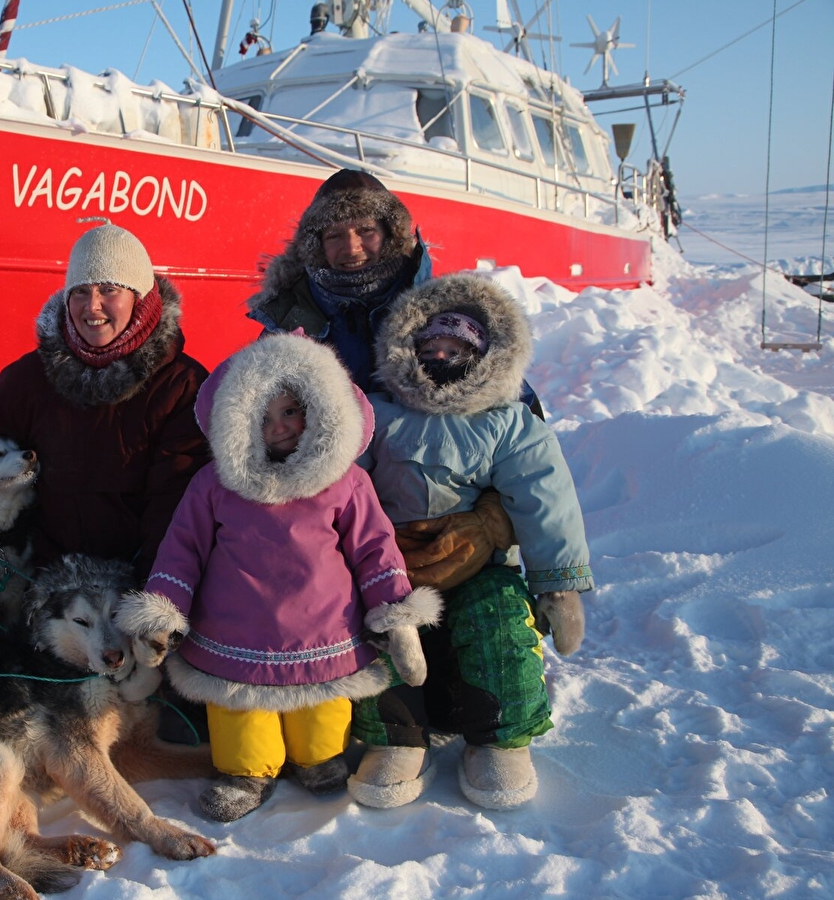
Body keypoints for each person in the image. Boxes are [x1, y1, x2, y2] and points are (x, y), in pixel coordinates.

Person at [118, 332, 442, 822]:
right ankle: (247, 772)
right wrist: (163, 612)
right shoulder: (214, 484)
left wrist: (397, 616)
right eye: (263, 418)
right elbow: (181, 550)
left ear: (317, 410)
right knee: (241, 716)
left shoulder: (347, 482)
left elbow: (376, 550)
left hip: (324, 631)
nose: (279, 427)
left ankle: (318, 758)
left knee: (322, 716)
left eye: (290, 411)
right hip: (234, 635)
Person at [348, 274, 592, 810]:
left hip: (477, 564)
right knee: (374, 625)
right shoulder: (375, 414)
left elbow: (542, 496)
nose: (439, 356)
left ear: (484, 356)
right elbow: (344, 483)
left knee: (499, 618)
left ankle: (499, 739)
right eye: (429, 346)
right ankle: (395, 738)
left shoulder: (506, 422)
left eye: (455, 349)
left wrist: (557, 582)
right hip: (391, 562)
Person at [246, 169, 541, 595]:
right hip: (335, 543)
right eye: (333, 235)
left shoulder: (448, 314)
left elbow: (523, 428)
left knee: (496, 641)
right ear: (314, 245)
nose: (351, 248)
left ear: (391, 232)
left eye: (366, 230)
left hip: (453, 526)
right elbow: (252, 441)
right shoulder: (287, 331)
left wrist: (491, 523)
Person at [0, 223, 209, 580]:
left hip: (130, 592)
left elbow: (176, 510)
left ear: (139, 296)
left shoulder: (181, 387)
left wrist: (146, 603)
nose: (92, 305)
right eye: (80, 291)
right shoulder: (33, 377)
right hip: (39, 585)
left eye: (109, 289)